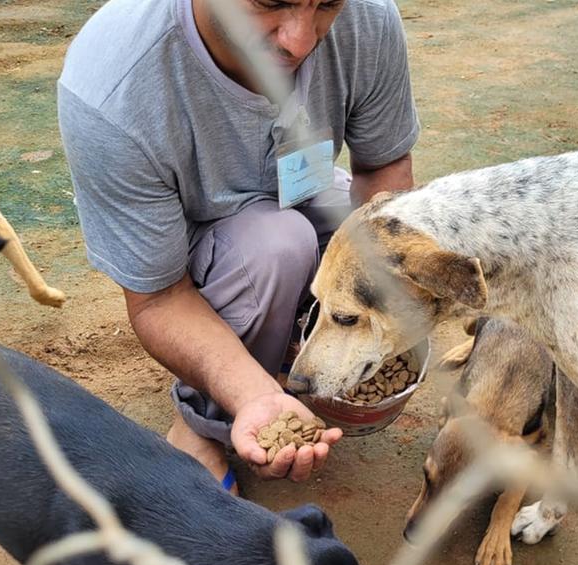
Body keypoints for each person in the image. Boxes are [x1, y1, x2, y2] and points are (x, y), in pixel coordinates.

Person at [56, 0, 419, 488]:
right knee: (277, 247)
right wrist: (250, 394)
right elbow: (160, 297)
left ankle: (286, 336)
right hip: (197, 252)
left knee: (372, 231)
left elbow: (381, 171)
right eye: (270, 2)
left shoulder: (369, 15)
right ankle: (201, 423)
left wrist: (385, 300)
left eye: (328, 4)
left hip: (300, 185)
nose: (301, 40)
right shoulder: (112, 90)